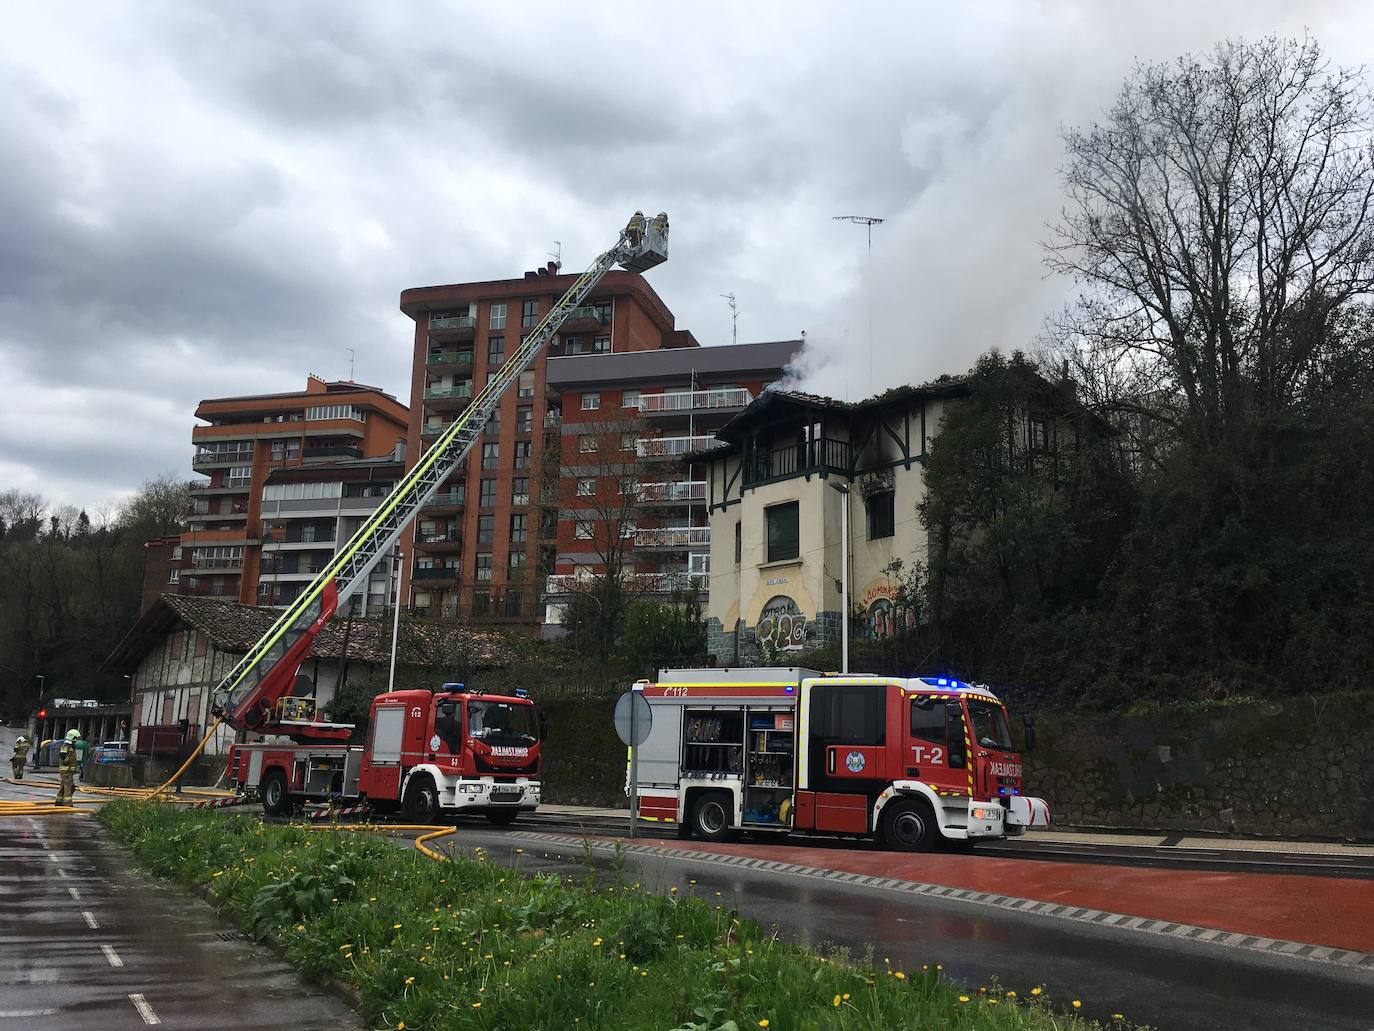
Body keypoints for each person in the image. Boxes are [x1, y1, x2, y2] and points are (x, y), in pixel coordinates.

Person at [55, 729, 80, 806]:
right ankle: (67, 803)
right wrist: (67, 762)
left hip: (68, 770)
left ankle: (59, 801)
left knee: (64, 786)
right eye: (76, 738)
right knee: (69, 787)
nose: (76, 740)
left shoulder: (71, 746)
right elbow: (62, 754)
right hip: (66, 770)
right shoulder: (66, 746)